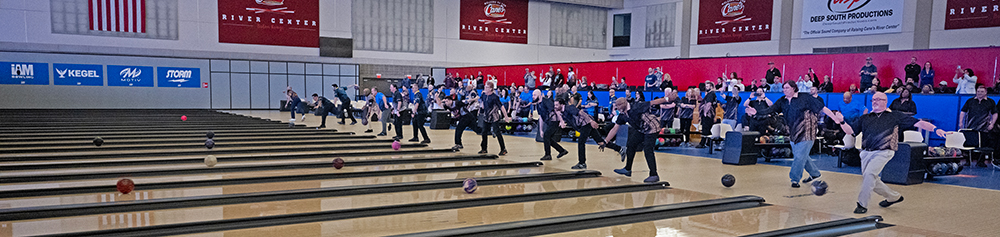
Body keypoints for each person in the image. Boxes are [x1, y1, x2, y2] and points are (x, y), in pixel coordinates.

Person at [837, 92, 947, 214]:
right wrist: (841, 121)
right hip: (866, 153)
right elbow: (850, 131)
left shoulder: (895, 116)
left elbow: (919, 123)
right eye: (873, 99)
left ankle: (862, 204)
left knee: (869, 175)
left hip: (884, 151)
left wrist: (936, 129)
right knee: (872, 179)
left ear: (885, 101)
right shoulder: (865, 118)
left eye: (878, 99)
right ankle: (893, 197)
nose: (875, 101)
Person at [746, 82, 847, 188]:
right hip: (793, 132)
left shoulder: (805, 97)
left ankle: (794, 179)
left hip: (807, 131)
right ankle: (815, 174)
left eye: (787, 88)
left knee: (799, 156)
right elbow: (771, 110)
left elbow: (822, 108)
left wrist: (834, 118)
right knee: (801, 155)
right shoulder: (783, 101)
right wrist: (756, 112)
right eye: (783, 88)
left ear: (794, 88)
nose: (784, 90)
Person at [600, 96, 672, 183]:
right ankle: (627, 169)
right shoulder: (622, 115)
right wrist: (606, 141)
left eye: (618, 105)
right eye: (616, 106)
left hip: (652, 127)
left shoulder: (637, 106)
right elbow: (615, 129)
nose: (617, 107)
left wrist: (667, 99)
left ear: (624, 103)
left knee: (648, 150)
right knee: (631, 144)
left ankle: (654, 175)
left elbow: (653, 102)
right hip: (641, 129)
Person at [564, 94, 608, 169]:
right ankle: (619, 149)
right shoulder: (568, 108)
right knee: (600, 141)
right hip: (585, 124)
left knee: (581, 141)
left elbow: (582, 113)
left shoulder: (570, 107)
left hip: (586, 124)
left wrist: (591, 121)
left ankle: (582, 163)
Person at [959, 86, 997, 167]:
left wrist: (992, 124)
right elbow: (963, 112)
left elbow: (995, 113)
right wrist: (960, 123)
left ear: (986, 92)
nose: (979, 93)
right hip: (970, 127)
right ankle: (967, 161)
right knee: (967, 144)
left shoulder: (990, 102)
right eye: (978, 91)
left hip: (984, 128)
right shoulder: (970, 101)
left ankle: (981, 161)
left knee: (983, 145)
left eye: (982, 91)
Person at [444, 85, 481, 150]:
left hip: (467, 116)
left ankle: (458, 144)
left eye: (447, 101)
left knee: (461, 129)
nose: (446, 103)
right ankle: (458, 143)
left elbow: (466, 104)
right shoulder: (446, 106)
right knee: (472, 129)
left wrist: (468, 104)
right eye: (445, 102)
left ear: (450, 101)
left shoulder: (457, 103)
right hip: (463, 118)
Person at [536, 89, 570, 160]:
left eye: (534, 95)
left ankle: (548, 155)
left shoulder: (546, 101)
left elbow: (556, 110)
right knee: (548, 138)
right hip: (550, 122)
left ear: (539, 95)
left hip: (554, 121)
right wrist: (541, 130)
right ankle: (562, 150)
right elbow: (541, 118)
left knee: (546, 136)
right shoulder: (538, 105)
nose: (533, 96)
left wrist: (561, 121)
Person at [477, 82, 509, 155]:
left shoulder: (495, 97)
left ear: (491, 88)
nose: (485, 88)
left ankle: (503, 149)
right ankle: (484, 148)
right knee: (484, 132)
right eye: (485, 86)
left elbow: (502, 107)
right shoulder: (484, 95)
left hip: (494, 117)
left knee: (497, 132)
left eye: (487, 87)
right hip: (486, 117)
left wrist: (506, 117)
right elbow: (482, 103)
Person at [697, 82, 724, 148]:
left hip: (708, 114)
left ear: (711, 87)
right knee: (708, 129)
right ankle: (709, 143)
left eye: (708, 86)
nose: (706, 88)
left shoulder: (711, 94)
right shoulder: (710, 94)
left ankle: (702, 143)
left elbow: (708, 104)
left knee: (705, 129)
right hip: (710, 114)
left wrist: (705, 113)